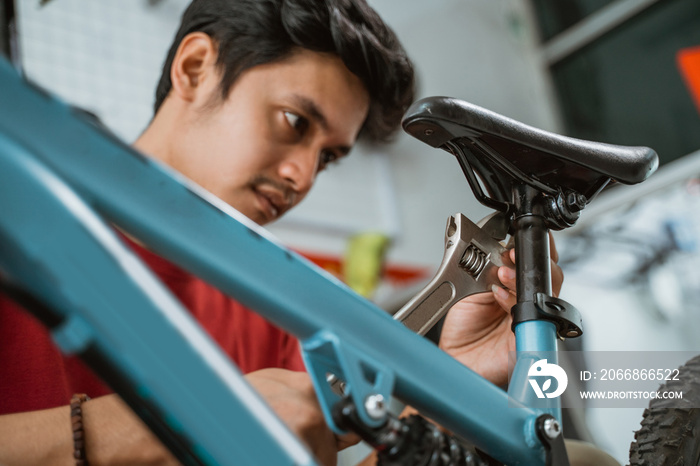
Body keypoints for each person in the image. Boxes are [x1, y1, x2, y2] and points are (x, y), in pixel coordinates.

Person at [0, 0, 563, 465]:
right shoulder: (17, 218)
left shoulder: (285, 311)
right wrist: (182, 421)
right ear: (195, 69)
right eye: (295, 122)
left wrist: (456, 383)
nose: (302, 177)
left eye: (329, 159)